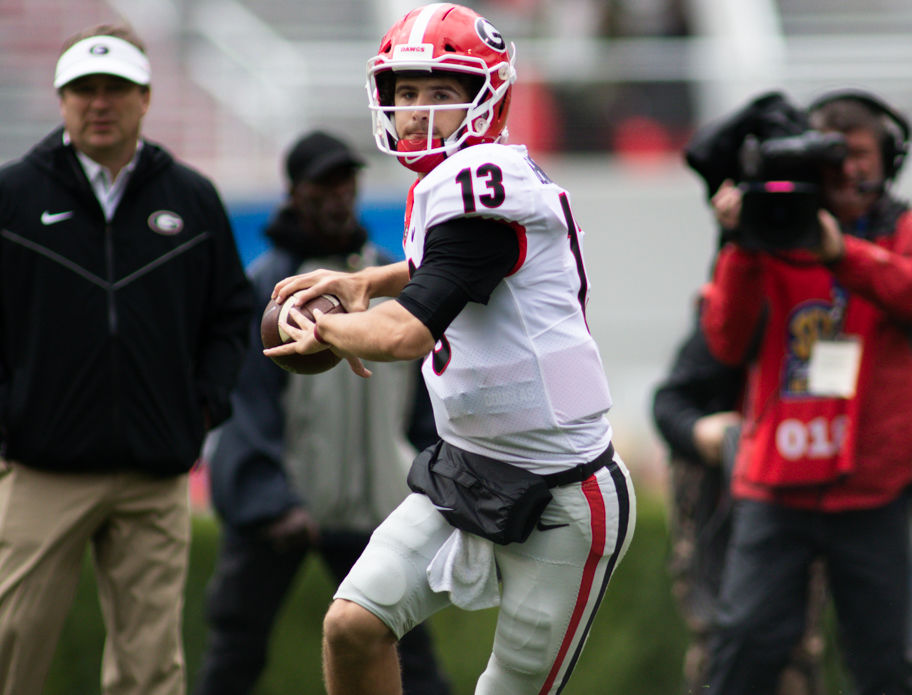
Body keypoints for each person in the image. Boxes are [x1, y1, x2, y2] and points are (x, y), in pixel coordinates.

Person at [263, 4, 636, 694]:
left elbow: (406, 331)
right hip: (466, 468)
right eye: (407, 93)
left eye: (441, 92)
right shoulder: (455, 187)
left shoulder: (482, 186)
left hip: (564, 491)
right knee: (352, 624)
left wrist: (319, 325)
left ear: (487, 98)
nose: (418, 110)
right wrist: (365, 279)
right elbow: (450, 266)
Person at [0, 24, 253, 695]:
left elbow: (231, 313)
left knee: (151, 666)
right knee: (10, 650)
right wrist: (5, 411)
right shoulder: (8, 196)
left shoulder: (192, 198)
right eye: (83, 89)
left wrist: (202, 404)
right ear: (60, 100)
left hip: (153, 468)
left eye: (115, 88)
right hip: (41, 466)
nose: (99, 103)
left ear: (145, 98)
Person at [192, 130, 452, 695]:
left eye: (346, 183)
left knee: (415, 659)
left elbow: (424, 400)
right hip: (285, 511)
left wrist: (431, 478)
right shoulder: (265, 286)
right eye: (323, 184)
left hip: (376, 506)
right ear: (295, 193)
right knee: (235, 652)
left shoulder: (384, 278)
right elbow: (245, 409)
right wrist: (271, 502)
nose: (338, 196)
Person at [697, 90, 912, 695]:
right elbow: (725, 343)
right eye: (832, 155)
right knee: (742, 652)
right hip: (777, 482)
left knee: (884, 662)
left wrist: (844, 254)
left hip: (872, 490)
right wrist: (739, 244)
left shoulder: (900, 232)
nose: (846, 170)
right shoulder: (772, 228)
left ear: (889, 159)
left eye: (860, 155)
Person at [653, 319, 828, 695]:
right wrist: (701, 433)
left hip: (800, 493)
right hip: (722, 499)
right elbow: (669, 403)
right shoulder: (725, 310)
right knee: (718, 635)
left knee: (794, 641)